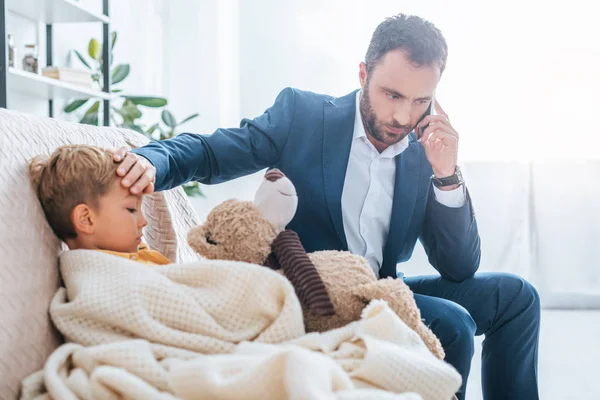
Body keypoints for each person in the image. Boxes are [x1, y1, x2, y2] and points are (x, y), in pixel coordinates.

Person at [113, 14, 540, 399]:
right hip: (315, 294)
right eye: (392, 95)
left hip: (382, 288)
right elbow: (212, 152)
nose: (402, 116)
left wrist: (446, 175)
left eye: (420, 101)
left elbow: (459, 267)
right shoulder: (304, 115)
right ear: (362, 74)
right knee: (452, 323)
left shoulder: (422, 151)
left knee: (517, 297)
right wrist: (155, 160)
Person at [29, 144, 170, 266]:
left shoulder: (136, 254)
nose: (144, 222)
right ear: (86, 219)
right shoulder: (101, 276)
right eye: (132, 209)